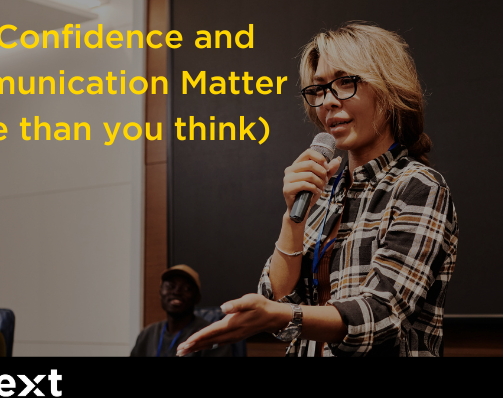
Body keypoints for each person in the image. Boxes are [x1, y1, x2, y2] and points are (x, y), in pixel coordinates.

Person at [177, 23, 459, 357]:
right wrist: (292, 218)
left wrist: (284, 315)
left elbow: (381, 314)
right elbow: (275, 300)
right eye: (319, 89)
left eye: (345, 82)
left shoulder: (418, 186)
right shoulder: (323, 192)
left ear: (388, 89)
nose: (327, 101)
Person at [131, 265, 232, 357]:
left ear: (197, 298)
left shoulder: (211, 336)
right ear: (160, 293)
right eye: (170, 286)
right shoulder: (147, 334)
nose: (176, 292)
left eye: (187, 288)